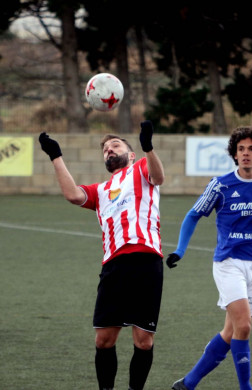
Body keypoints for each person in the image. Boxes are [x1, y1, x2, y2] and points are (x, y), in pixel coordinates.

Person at [167, 127, 252, 390]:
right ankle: (246, 387)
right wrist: (180, 250)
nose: (245, 154)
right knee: (245, 326)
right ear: (234, 155)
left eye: (251, 149)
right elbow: (193, 215)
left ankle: (188, 383)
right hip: (228, 264)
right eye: (241, 149)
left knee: (232, 331)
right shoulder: (221, 184)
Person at [39, 121, 165, 390]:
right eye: (105, 149)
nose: (109, 150)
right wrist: (56, 156)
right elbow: (73, 195)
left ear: (131, 154)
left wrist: (148, 148)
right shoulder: (101, 190)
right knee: (103, 340)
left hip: (146, 261)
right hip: (114, 266)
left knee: (143, 340)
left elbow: (159, 177)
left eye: (115, 145)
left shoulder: (141, 168)